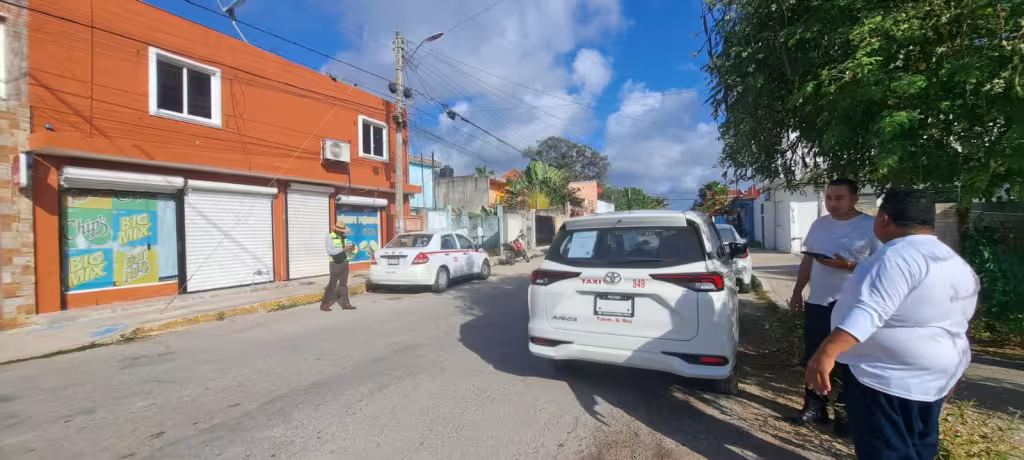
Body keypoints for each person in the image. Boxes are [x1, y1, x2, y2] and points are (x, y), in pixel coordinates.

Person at [806, 189, 978, 459]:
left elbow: (870, 311)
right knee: (918, 447)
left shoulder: (894, 257)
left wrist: (825, 353)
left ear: (884, 219)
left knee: (886, 451)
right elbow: (960, 316)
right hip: (935, 376)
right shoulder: (953, 261)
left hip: (886, 378)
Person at [787, 178, 882, 432]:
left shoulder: (870, 226)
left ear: (854, 199)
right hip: (819, 302)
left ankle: (845, 415)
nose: (832, 203)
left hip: (854, 306)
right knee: (814, 355)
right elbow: (808, 261)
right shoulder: (819, 225)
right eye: (828, 198)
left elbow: (881, 268)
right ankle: (814, 408)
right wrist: (797, 291)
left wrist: (848, 266)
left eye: (839, 198)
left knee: (849, 361)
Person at [321, 219, 357, 312]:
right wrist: (343, 249)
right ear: (336, 229)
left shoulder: (344, 237)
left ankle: (346, 303)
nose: (342, 232)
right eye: (341, 230)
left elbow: (348, 248)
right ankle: (324, 304)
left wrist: (351, 249)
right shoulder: (330, 237)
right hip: (335, 263)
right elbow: (330, 251)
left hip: (345, 262)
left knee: (343, 284)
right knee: (332, 284)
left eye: (343, 231)